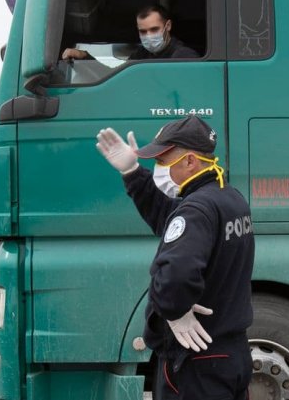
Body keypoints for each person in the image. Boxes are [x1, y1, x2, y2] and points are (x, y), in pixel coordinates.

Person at [95, 116, 254, 400]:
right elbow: (171, 221)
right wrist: (133, 173)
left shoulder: (196, 209)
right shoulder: (229, 198)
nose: (158, 169)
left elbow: (176, 274)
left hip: (198, 362)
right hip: (232, 354)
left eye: (163, 160)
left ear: (190, 161)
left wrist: (174, 309)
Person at [62, 4, 199, 61]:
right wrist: (83, 56)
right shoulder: (142, 54)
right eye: (143, 31)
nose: (149, 36)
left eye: (154, 29)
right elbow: (115, 74)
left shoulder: (184, 57)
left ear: (168, 26)